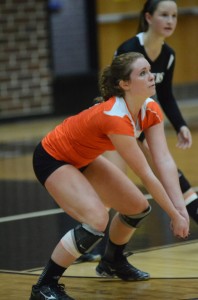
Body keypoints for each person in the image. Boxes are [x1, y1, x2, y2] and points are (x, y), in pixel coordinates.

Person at [30, 52, 189, 300]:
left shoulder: (151, 109)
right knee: (96, 220)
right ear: (124, 84)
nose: (151, 77)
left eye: (150, 70)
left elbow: (164, 161)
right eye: (143, 73)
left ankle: (111, 262)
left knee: (137, 207)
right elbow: (146, 173)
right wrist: (173, 215)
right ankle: (44, 287)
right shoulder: (116, 117)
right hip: (52, 158)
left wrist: (181, 210)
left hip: (83, 159)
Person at [78, 0, 198, 266]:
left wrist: (180, 125)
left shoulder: (169, 55)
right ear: (148, 17)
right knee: (111, 192)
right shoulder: (130, 49)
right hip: (116, 129)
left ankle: (110, 258)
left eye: (175, 16)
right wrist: (136, 135)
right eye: (164, 15)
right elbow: (114, 94)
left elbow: (165, 95)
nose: (170, 21)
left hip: (140, 127)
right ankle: (84, 245)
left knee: (171, 174)